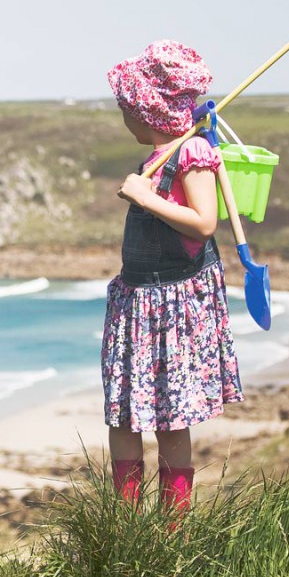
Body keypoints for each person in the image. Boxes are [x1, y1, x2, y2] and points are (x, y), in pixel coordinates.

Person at [101, 40, 242, 519]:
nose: (123, 116)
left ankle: (171, 530)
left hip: (170, 311)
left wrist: (146, 198)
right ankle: (126, 523)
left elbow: (204, 222)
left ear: (148, 112)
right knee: (122, 414)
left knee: (170, 420)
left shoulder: (193, 152)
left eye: (127, 107)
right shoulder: (157, 157)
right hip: (137, 304)